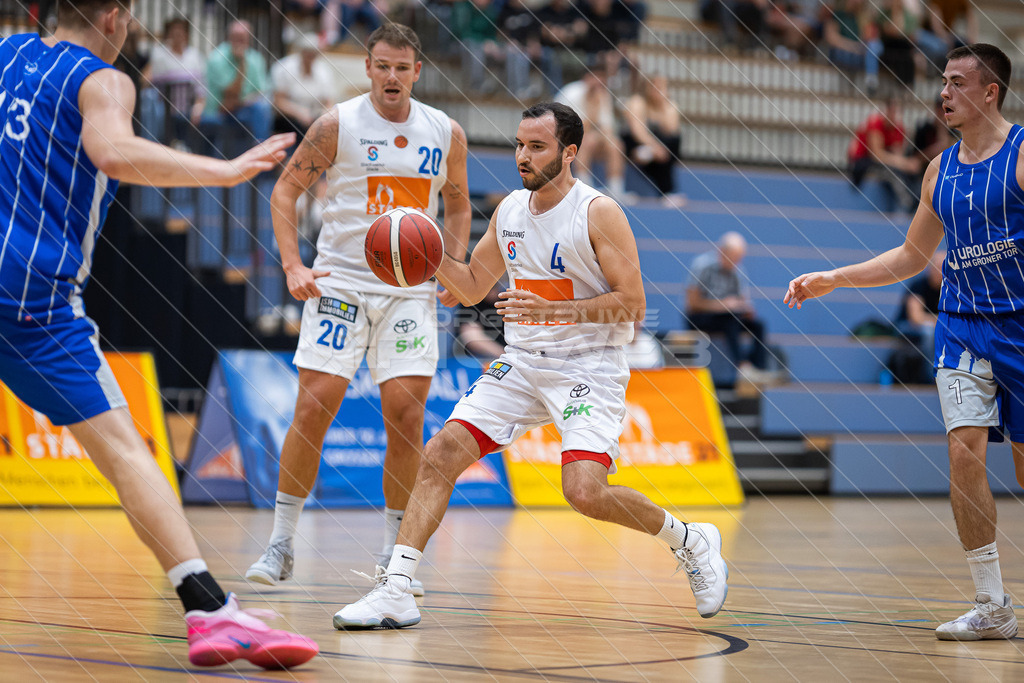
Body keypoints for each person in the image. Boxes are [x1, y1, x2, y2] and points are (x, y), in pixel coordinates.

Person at [0, 0, 316, 668]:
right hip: (33, 302)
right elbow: (112, 151)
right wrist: (223, 171)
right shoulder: (102, 80)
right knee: (124, 451)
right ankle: (208, 608)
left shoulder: (5, 58)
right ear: (114, 17)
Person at [333, 102, 728, 630]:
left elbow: (633, 304)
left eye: (536, 146)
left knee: (584, 493)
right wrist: (425, 259)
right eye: (519, 144)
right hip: (522, 362)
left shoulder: (599, 212)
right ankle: (397, 589)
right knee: (443, 450)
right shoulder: (510, 211)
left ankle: (691, 540)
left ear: (569, 152)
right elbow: (473, 284)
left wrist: (553, 311)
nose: (522, 155)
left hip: (589, 366)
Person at [786, 44, 1023, 641]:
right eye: (943, 81)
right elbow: (912, 255)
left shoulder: (1022, 155)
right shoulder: (940, 169)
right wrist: (833, 278)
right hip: (962, 326)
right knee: (962, 452)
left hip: (1021, 325)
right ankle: (992, 605)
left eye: (957, 82)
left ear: (990, 91)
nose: (943, 93)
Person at [246, 23, 472, 599]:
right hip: (341, 284)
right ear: (367, 69)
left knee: (405, 415)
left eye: (403, 67)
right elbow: (284, 192)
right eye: (383, 66)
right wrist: (294, 267)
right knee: (314, 406)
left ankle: (396, 559)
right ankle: (280, 542)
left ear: (417, 71)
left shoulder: (445, 132)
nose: (392, 76)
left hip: (409, 291)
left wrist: (455, 265)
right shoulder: (336, 124)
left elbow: (458, 203)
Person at [686, 232, 773, 385]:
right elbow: (692, 304)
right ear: (721, 252)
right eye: (733, 257)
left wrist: (745, 308)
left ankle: (757, 369)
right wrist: (722, 305)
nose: (735, 262)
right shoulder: (702, 266)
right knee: (729, 320)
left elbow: (743, 300)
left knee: (758, 325)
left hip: (728, 316)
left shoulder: (738, 270)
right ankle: (743, 367)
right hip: (700, 317)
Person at [556, 62, 630, 202]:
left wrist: (605, 139)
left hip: (590, 138)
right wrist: (593, 109)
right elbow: (577, 129)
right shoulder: (572, 93)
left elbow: (608, 129)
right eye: (596, 77)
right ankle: (583, 188)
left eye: (602, 78)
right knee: (587, 141)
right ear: (586, 78)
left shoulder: (603, 95)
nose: (599, 82)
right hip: (562, 138)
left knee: (615, 144)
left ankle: (616, 190)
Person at [201, 19, 272, 157]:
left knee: (262, 107)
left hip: (247, 109)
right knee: (259, 109)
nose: (239, 42)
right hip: (220, 111)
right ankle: (262, 150)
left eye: (243, 39)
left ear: (249, 39)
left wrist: (246, 101)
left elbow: (262, 91)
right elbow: (230, 96)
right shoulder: (217, 58)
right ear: (229, 38)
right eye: (236, 38)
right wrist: (242, 64)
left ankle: (260, 149)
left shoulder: (256, 58)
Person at [847, 97, 920, 213]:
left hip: (881, 161)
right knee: (891, 172)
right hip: (862, 161)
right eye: (892, 111)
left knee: (910, 172)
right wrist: (905, 163)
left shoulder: (898, 128)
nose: (894, 115)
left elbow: (897, 155)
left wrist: (907, 165)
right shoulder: (875, 123)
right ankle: (909, 203)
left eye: (896, 111)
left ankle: (919, 200)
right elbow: (877, 155)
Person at [620, 74, 685, 206]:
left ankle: (666, 192)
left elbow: (672, 131)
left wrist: (661, 106)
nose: (657, 90)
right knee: (659, 150)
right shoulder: (637, 102)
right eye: (654, 87)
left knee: (672, 142)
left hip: (655, 150)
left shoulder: (669, 106)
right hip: (635, 143)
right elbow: (638, 132)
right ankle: (667, 191)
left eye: (661, 87)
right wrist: (655, 148)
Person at [271, 33, 337, 140]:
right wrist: (298, 112)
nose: (311, 57)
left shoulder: (324, 71)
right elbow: (279, 101)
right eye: (308, 54)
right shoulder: (284, 67)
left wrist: (324, 115)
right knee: (304, 130)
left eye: (314, 54)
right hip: (289, 117)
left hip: (314, 117)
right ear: (301, 52)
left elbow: (328, 102)